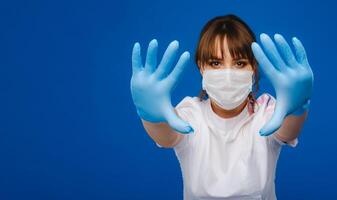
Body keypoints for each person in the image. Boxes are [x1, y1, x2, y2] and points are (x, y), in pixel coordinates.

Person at [130, 14, 314, 200]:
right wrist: (150, 115)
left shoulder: (266, 112)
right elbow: (166, 136)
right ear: (202, 67)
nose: (227, 74)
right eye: (215, 63)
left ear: (253, 68)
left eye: (240, 63)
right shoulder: (191, 113)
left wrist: (297, 107)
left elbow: (288, 131)